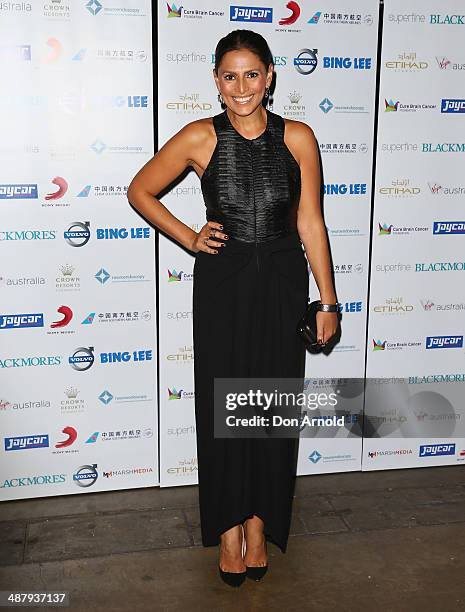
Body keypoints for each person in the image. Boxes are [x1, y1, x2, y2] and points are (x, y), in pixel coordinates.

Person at [127, 29, 338, 587]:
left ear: (270, 76)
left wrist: (328, 300)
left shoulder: (299, 137)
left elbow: (310, 222)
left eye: (251, 74)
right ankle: (227, 528)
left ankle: (258, 523)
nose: (240, 87)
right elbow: (140, 190)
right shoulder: (201, 137)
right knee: (223, 407)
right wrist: (189, 237)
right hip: (223, 284)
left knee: (271, 405)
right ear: (216, 81)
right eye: (229, 75)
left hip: (282, 283)